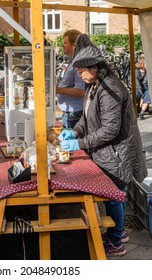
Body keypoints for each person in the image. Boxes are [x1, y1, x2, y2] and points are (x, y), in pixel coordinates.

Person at [58, 34, 147, 257]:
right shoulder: (94, 83)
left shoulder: (111, 88)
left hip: (117, 151)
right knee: (112, 195)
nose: (80, 76)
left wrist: (78, 143)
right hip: (106, 151)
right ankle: (119, 232)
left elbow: (110, 130)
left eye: (81, 72)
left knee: (115, 194)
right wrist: (75, 130)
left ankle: (116, 241)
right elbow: (85, 117)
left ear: (94, 67)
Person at [56, 29, 85, 129]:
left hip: (74, 113)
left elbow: (81, 91)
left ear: (74, 46)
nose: (63, 46)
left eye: (65, 43)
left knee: (71, 141)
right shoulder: (73, 61)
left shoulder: (79, 63)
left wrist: (56, 90)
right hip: (70, 112)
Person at [135, 54, 151, 120]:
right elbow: (138, 86)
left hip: (148, 90)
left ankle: (142, 113)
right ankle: (133, 112)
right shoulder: (136, 72)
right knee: (135, 94)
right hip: (140, 90)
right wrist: (142, 97)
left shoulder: (149, 72)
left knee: (148, 93)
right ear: (142, 64)